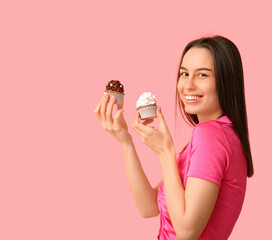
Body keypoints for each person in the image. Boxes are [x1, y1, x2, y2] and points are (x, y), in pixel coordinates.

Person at [94, 35, 254, 240]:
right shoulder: (220, 135)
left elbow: (187, 232)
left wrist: (165, 152)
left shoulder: (211, 135)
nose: (188, 85)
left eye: (202, 75)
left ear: (226, 80)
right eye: (184, 74)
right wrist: (125, 142)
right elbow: (149, 207)